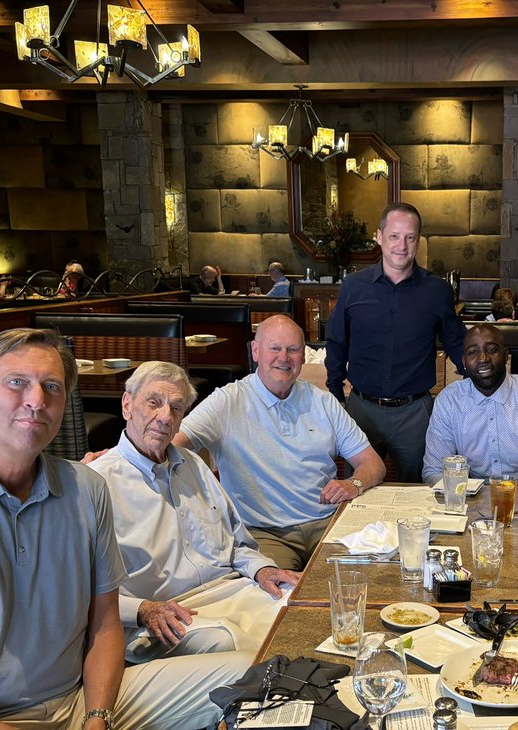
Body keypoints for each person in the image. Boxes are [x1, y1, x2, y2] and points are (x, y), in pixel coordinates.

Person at [0, 328, 239, 729]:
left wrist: (97, 718)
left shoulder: (87, 489)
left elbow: (106, 627)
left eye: (51, 386)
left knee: (254, 677)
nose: (36, 401)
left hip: (80, 700)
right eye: (17, 383)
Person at [88, 361, 301, 664]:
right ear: (127, 405)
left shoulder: (194, 465)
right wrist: (142, 610)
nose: (165, 417)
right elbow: (82, 590)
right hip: (162, 614)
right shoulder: (97, 483)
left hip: (231, 590)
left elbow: (238, 543)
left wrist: (263, 569)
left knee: (300, 608)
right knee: (229, 642)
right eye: (154, 402)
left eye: (176, 408)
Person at [175, 315, 386, 570]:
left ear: (304, 356)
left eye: (293, 349)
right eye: (274, 348)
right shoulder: (227, 401)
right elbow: (175, 445)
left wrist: (354, 483)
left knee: (365, 576)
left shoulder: (323, 402)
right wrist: (123, 459)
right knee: (278, 596)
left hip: (327, 522)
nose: (283, 358)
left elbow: (373, 463)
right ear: (256, 351)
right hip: (264, 533)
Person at [326, 202, 466, 482]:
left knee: (419, 495)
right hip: (361, 410)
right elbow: (337, 341)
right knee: (358, 492)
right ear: (379, 237)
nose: (401, 245)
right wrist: (336, 394)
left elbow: (457, 344)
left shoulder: (437, 290)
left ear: (418, 241)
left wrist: (480, 388)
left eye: (410, 237)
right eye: (394, 236)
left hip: (415, 413)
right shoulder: (354, 286)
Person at [422, 323, 518, 483]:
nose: (483, 358)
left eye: (491, 350)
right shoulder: (449, 401)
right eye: (473, 352)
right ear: (464, 361)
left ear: (505, 355)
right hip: (470, 498)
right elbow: (434, 471)